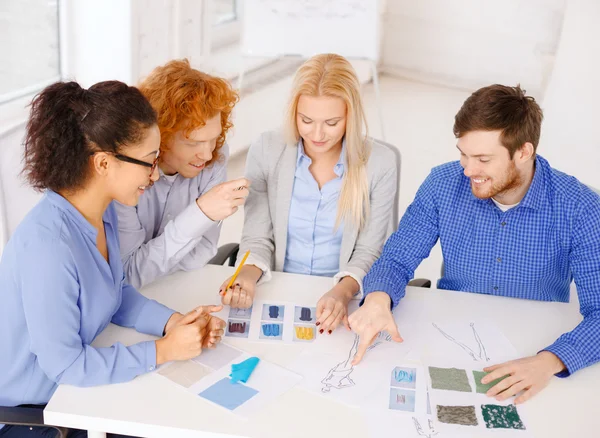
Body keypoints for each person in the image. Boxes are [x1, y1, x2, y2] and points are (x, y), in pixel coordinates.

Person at [350, 84, 600, 405]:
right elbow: (397, 258)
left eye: (482, 159)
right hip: (452, 335)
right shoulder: (443, 184)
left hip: (534, 342)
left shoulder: (580, 207)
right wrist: (378, 297)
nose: (468, 170)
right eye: (463, 154)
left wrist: (550, 360)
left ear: (524, 152)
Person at [0, 80, 224, 437]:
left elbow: (115, 290)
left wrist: (171, 323)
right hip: (35, 415)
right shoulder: (49, 248)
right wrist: (162, 351)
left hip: (76, 396)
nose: (154, 175)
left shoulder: (101, 212)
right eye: (149, 162)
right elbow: (67, 365)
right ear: (104, 163)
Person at [220, 54, 399, 335]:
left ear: (350, 116)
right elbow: (257, 237)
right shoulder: (266, 150)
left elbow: (369, 250)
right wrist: (246, 276)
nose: (317, 134)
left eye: (331, 122)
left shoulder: (380, 163)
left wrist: (342, 292)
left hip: (343, 293)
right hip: (278, 286)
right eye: (306, 120)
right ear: (294, 112)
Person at [115, 59, 249, 289]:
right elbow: (129, 273)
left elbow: (203, 252)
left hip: (181, 288)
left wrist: (152, 261)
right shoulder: (127, 171)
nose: (207, 154)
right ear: (161, 136)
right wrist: (201, 213)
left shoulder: (215, 155)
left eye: (213, 138)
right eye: (193, 142)